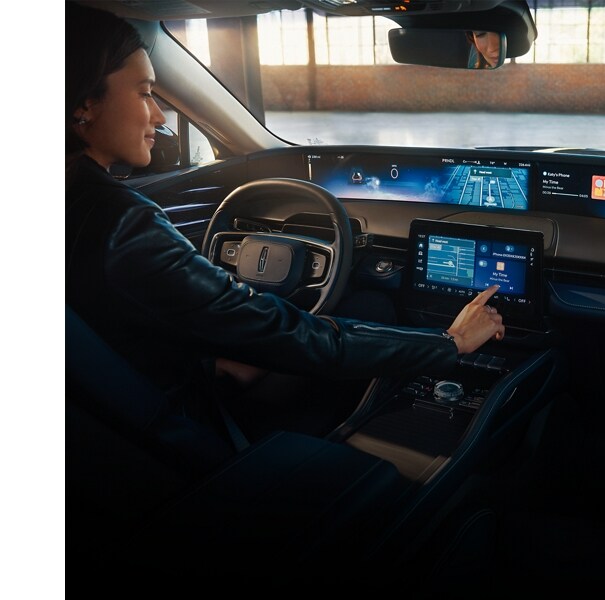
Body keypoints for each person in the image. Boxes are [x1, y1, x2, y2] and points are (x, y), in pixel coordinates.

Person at [66, 3, 504, 464]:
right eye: (144, 93)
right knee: (369, 309)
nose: (159, 115)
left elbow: (116, 332)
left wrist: (208, 355)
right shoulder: (124, 225)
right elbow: (295, 334)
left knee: (368, 305)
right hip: (187, 451)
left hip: (114, 439)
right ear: (84, 104)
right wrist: (448, 343)